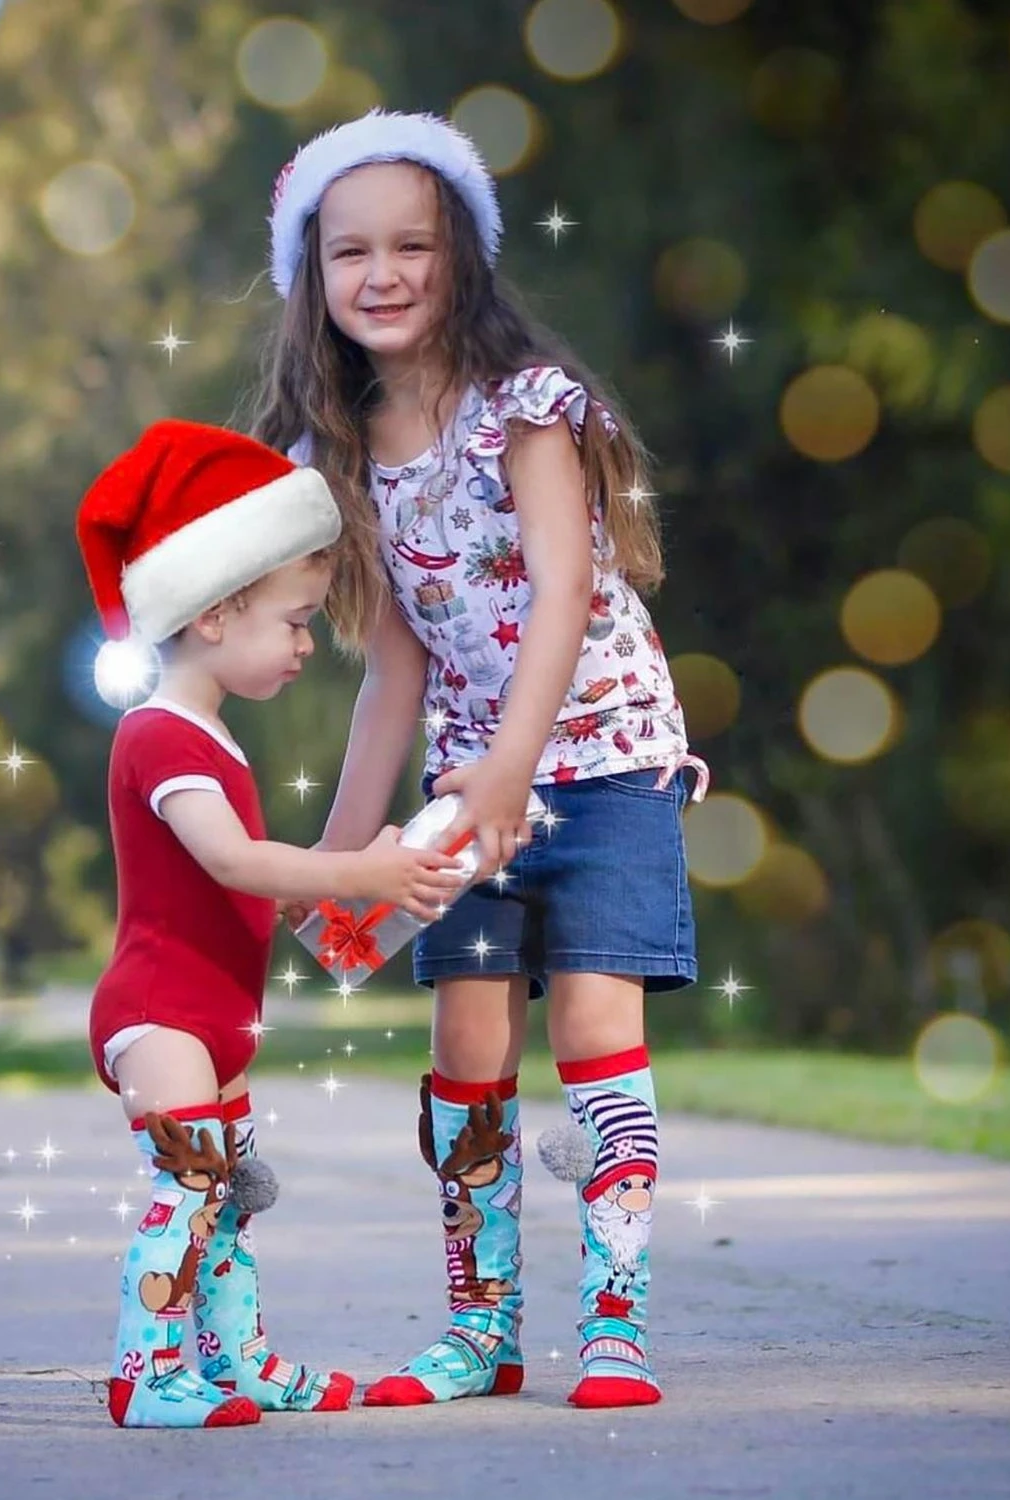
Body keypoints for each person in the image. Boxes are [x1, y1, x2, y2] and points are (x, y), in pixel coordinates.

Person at [249, 109, 709, 1411]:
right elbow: (395, 667)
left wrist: (516, 771)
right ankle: (483, 1330)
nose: (382, 273)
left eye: (413, 244)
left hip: (606, 760)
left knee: (597, 1029)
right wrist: (338, 859)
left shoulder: (527, 407)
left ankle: (613, 1325)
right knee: (463, 1052)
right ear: (313, 278)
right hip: (467, 790)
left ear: (465, 258)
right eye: (351, 252)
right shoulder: (338, 461)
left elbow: (565, 587)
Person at [75, 418, 464, 1429]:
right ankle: (147, 1369)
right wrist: (356, 864)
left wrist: (337, 899)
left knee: (229, 1199)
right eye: (293, 620)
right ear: (214, 612)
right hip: (162, 1013)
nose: (305, 643)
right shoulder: (159, 734)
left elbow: (241, 882)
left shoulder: (206, 738)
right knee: (193, 1189)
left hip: (212, 1018)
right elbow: (231, 860)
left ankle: (233, 1360)